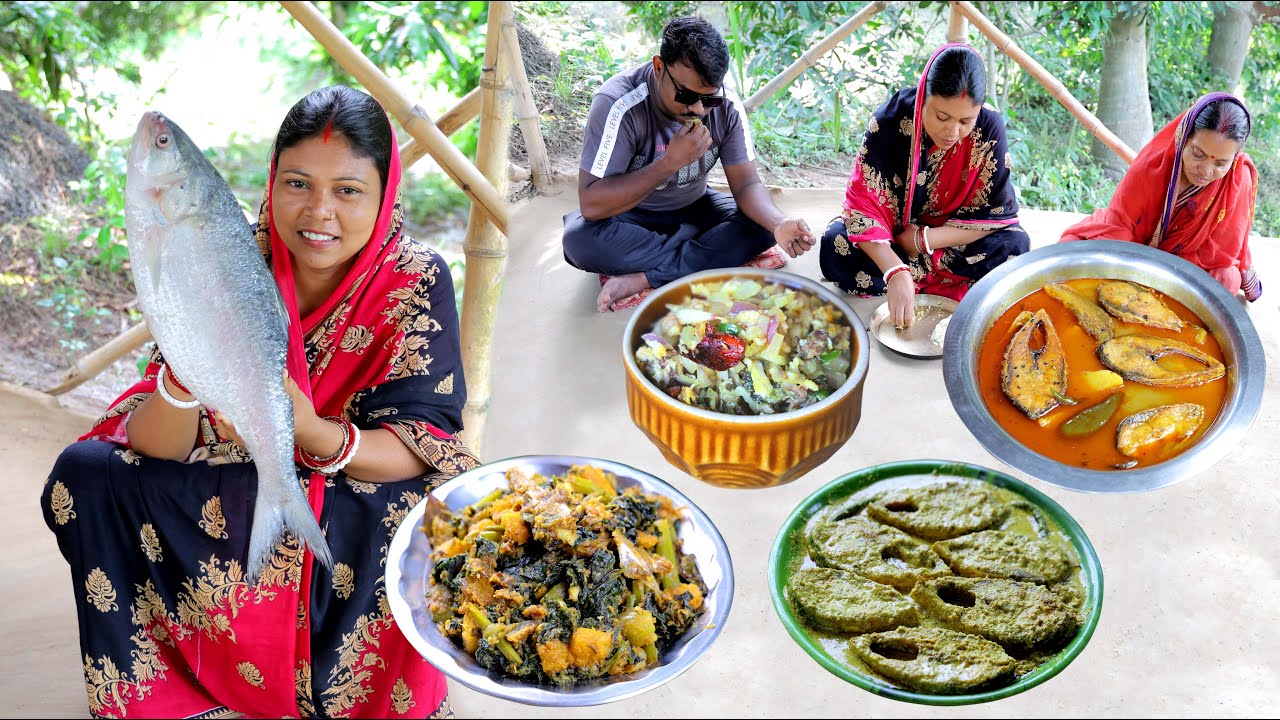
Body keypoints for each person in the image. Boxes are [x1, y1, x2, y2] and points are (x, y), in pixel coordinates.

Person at [41, 86, 477, 719]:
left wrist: (311, 431)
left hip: (350, 502)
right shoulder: (227, 254)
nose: (319, 211)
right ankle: (183, 696)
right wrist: (184, 380)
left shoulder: (415, 278)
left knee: (415, 511)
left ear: (386, 194)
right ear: (272, 181)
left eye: (348, 190)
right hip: (230, 486)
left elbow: (422, 445)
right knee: (88, 476)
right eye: (298, 183)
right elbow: (158, 443)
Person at [562, 15, 816, 313]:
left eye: (709, 99)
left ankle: (648, 276)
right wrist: (668, 163)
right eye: (686, 95)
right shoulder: (618, 103)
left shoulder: (728, 108)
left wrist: (777, 223)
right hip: (629, 216)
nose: (697, 108)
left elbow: (746, 184)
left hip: (695, 207)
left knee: (763, 228)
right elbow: (592, 204)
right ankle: (698, 251)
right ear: (659, 68)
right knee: (579, 242)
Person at [818, 43, 1029, 329]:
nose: (952, 132)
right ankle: (916, 280)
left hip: (952, 237)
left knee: (1015, 247)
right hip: (894, 235)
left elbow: (996, 215)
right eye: (942, 117)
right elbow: (863, 203)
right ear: (922, 99)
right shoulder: (893, 119)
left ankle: (912, 279)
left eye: (966, 121)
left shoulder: (989, 127)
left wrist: (924, 241)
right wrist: (894, 269)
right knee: (836, 242)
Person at [1060, 92, 1262, 301]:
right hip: (1140, 246)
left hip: (1193, 261)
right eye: (1197, 154)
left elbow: (1219, 253)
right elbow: (1120, 224)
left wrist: (1167, 273)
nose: (1206, 170)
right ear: (1184, 137)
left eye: (1221, 163)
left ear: (1235, 157)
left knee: (1226, 278)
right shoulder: (1152, 164)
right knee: (1071, 249)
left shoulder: (1237, 179)